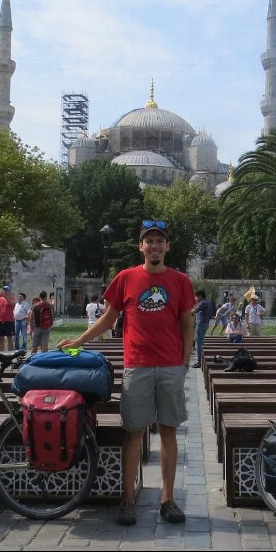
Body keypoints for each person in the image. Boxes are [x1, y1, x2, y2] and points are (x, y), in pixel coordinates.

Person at [58, 219, 193, 527]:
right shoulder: (126, 278)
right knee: (132, 433)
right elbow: (109, 318)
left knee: (169, 432)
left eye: (160, 241)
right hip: (138, 365)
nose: (155, 246)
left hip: (171, 366)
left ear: (167, 246)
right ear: (141, 247)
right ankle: (128, 500)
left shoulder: (180, 281)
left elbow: (187, 323)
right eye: (150, 241)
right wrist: (78, 343)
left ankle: (168, 500)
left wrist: (184, 362)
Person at [191, 289, 214, 368]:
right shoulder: (207, 302)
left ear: (200, 296)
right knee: (201, 342)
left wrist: (186, 312)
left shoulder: (202, 303)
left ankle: (199, 362)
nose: (195, 298)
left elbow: (194, 311)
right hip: (205, 323)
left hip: (201, 324)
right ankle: (201, 360)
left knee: (198, 343)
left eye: (196, 297)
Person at [29, 290, 54, 355]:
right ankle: (44, 359)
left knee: (35, 345)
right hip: (46, 327)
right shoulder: (48, 305)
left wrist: (31, 328)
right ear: (46, 296)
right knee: (44, 344)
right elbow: (53, 305)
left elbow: (31, 318)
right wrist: (52, 299)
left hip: (37, 327)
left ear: (39, 297)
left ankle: (33, 358)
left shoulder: (35, 306)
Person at [0, 285, 15, 351]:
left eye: (6, 290)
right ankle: (1, 353)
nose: (4, 291)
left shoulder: (12, 298)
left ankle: (11, 353)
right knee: (0, 338)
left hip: (9, 321)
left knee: (9, 338)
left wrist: (5, 296)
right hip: (0, 320)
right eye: (4, 290)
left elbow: (11, 303)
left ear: (9, 291)